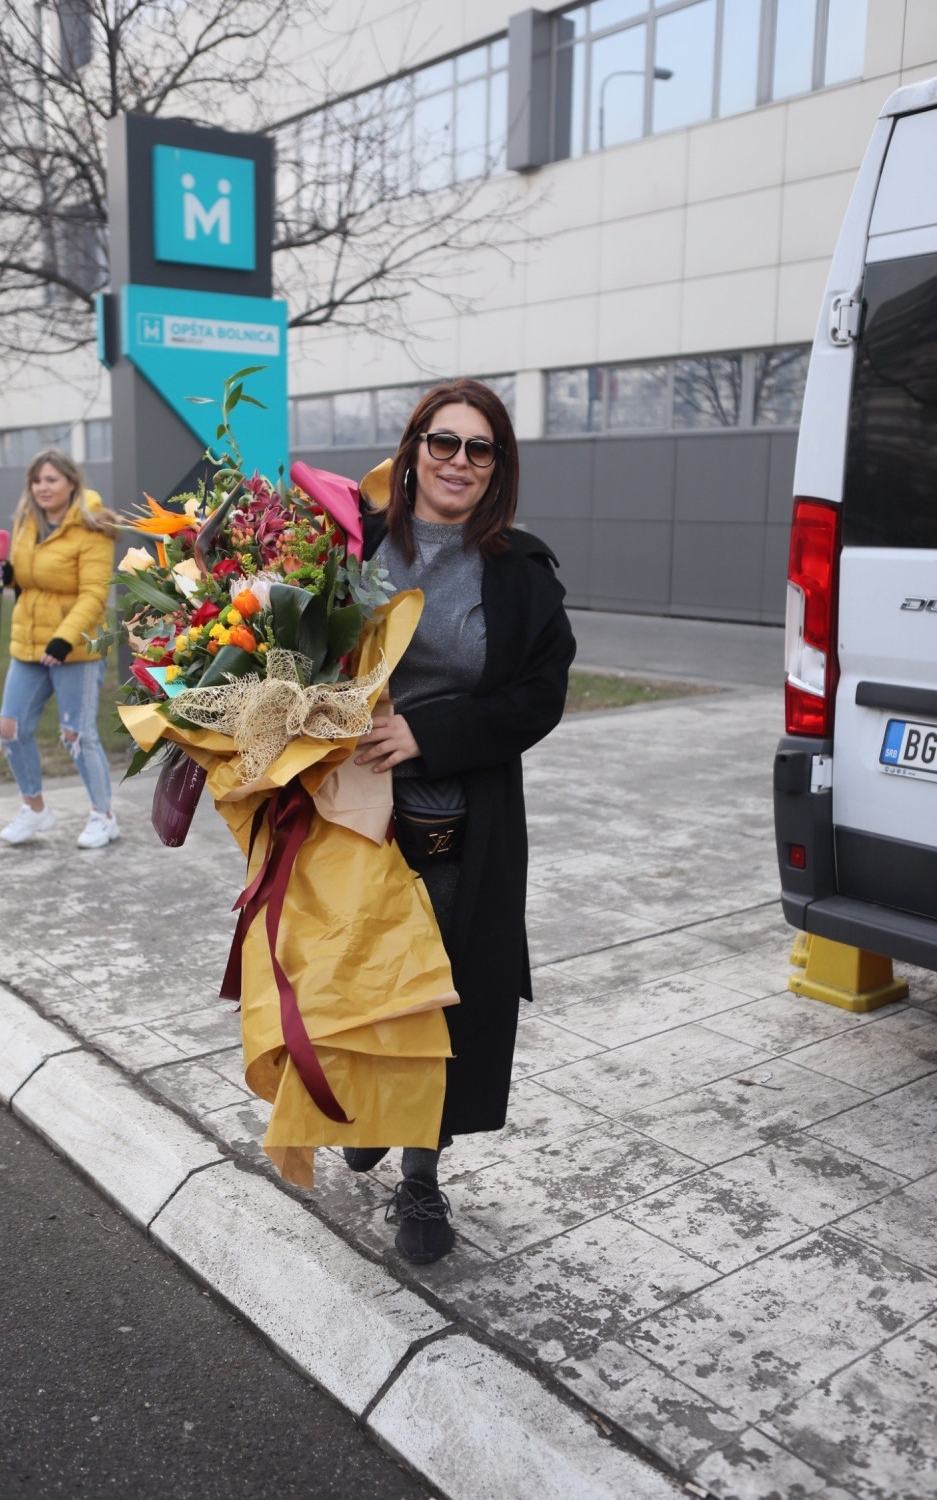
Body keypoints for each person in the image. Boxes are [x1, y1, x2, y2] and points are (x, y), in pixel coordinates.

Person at [347, 379, 576, 1264]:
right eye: (443, 443)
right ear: (412, 452)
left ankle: (420, 1177)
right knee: (353, 985)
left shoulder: (520, 575)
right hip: (341, 820)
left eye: (479, 449)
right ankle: (362, 1111)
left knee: (435, 1002)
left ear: (498, 469)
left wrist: (426, 731)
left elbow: (537, 699)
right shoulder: (349, 545)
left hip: (451, 829)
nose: (458, 462)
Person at [0, 447, 120, 849]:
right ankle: (35, 809)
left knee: (75, 734)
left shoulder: (93, 526)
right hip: (28, 642)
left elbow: (94, 595)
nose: (42, 488)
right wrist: (9, 575)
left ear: (71, 483)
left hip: (75, 646)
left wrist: (65, 639)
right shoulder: (27, 519)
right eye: (37, 480)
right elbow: (29, 578)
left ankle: (104, 816)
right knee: (9, 730)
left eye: (51, 480)